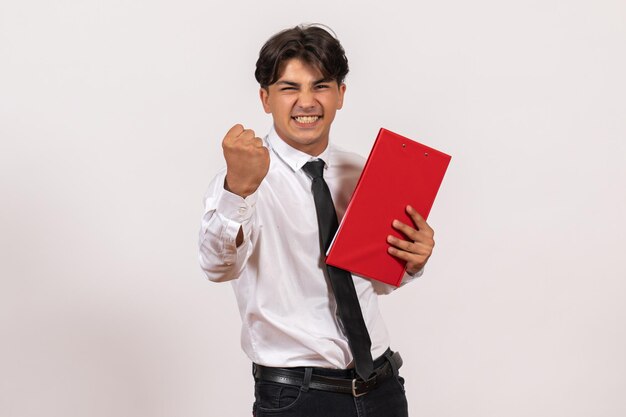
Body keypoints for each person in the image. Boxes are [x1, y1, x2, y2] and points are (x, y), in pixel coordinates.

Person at [198, 24, 435, 417]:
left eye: (320, 86)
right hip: (298, 398)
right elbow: (217, 266)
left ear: (341, 95)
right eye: (289, 88)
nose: (306, 102)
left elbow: (376, 281)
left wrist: (412, 260)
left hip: (382, 387)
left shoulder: (363, 171)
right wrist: (238, 191)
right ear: (265, 98)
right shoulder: (243, 181)